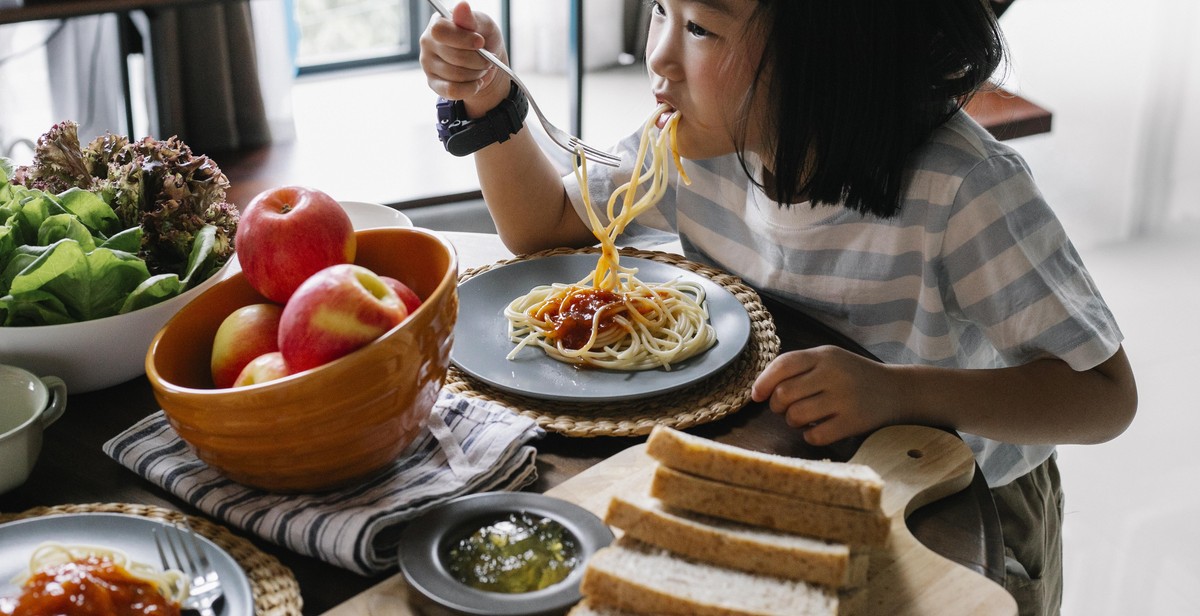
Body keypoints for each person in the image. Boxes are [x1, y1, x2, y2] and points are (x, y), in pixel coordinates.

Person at [420, 2, 1137, 614]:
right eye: (662, 11)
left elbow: (1103, 396)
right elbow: (545, 224)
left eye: (702, 28)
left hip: (959, 497)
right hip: (794, 466)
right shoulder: (698, 142)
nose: (659, 58)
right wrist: (489, 105)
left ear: (829, 55)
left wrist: (898, 392)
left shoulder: (964, 190)